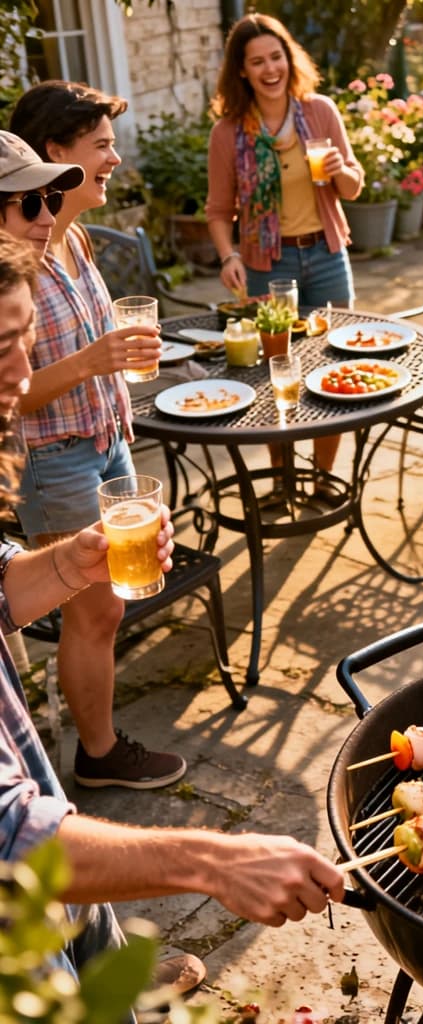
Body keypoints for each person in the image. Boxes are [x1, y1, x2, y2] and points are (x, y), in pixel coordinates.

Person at [0, 228, 348, 1004]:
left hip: (54, 900)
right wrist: (212, 862)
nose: (24, 377)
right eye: (3, 349)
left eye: (26, 342)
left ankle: (109, 972)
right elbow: (8, 836)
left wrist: (66, 562)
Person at [7, 84, 181, 790]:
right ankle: (99, 755)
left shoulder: (66, 233)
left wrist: (117, 365)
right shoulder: (10, 258)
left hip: (104, 438)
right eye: (100, 144)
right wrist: (94, 359)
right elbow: (13, 397)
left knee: (104, 603)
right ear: (56, 153)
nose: (114, 157)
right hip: (55, 460)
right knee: (98, 608)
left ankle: (86, 739)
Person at [206, 12, 365, 498]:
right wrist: (228, 255)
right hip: (264, 266)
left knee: (332, 368)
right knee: (269, 374)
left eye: (276, 56)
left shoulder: (319, 111)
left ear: (288, 59)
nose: (270, 68)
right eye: (257, 61)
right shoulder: (228, 133)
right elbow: (217, 210)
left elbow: (354, 189)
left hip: (325, 255)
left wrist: (340, 170)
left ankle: (320, 479)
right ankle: (281, 481)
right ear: (242, 70)